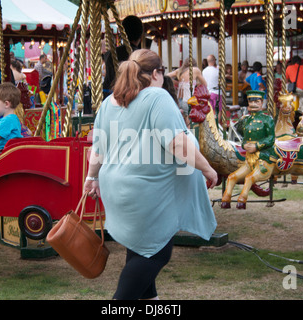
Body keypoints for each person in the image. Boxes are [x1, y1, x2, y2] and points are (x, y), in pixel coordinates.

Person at [84, 49, 218, 300]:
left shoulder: (108, 102)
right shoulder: (157, 97)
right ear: (156, 73)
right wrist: (208, 169)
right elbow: (178, 144)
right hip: (144, 191)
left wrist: (91, 178)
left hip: (115, 188)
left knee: (140, 250)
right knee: (157, 253)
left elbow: (97, 149)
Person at [102, 15, 144, 99]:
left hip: (110, 98)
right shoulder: (142, 57)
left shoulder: (111, 54)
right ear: (141, 35)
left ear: (122, 33)